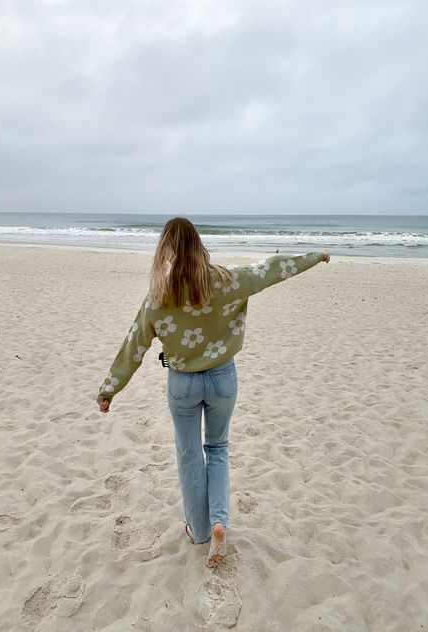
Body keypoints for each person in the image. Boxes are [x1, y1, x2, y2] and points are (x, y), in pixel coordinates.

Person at [97, 217, 330, 568]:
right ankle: (219, 521)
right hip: (223, 379)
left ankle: (201, 532)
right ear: (199, 245)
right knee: (217, 448)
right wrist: (316, 255)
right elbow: (270, 270)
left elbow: (135, 344)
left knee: (190, 454)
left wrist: (110, 389)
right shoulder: (226, 281)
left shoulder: (157, 299)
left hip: (183, 383)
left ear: (167, 250)